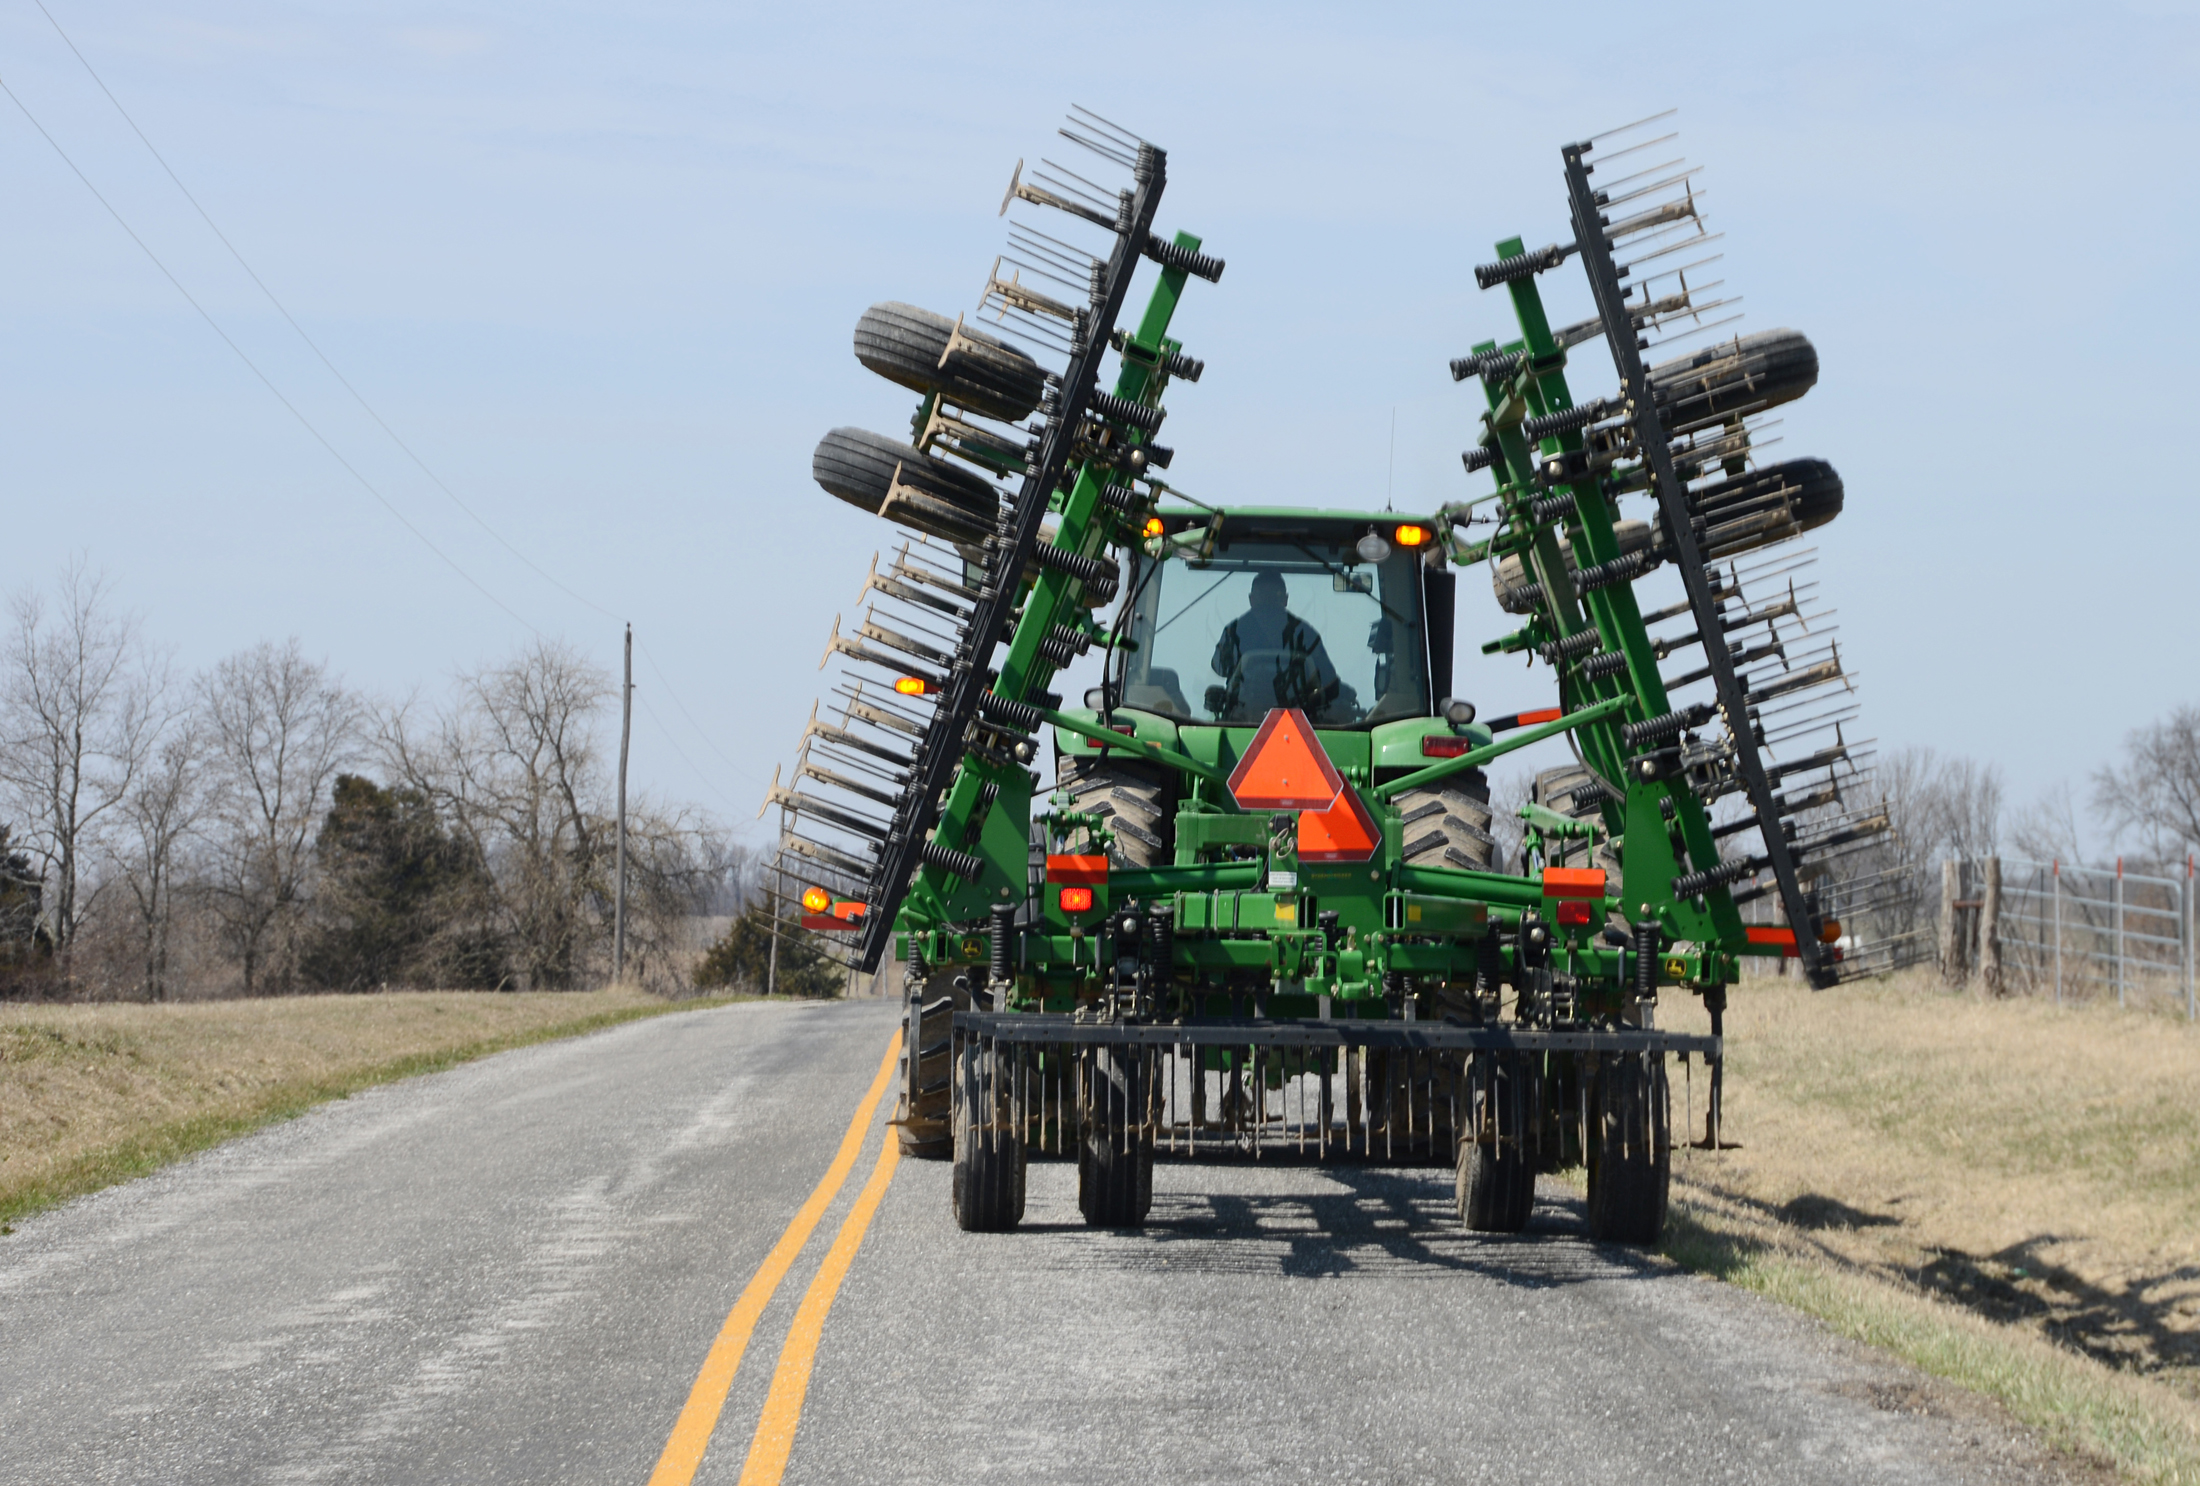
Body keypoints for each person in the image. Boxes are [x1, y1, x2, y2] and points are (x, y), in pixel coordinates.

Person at [1210, 570, 1342, 715]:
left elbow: (1328, 679)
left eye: (1274, 596)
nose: (1268, 601)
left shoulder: (1304, 634)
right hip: (1241, 715)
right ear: (1251, 599)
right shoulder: (1234, 632)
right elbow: (1219, 667)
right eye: (1263, 596)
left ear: (1285, 599)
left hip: (1301, 718)